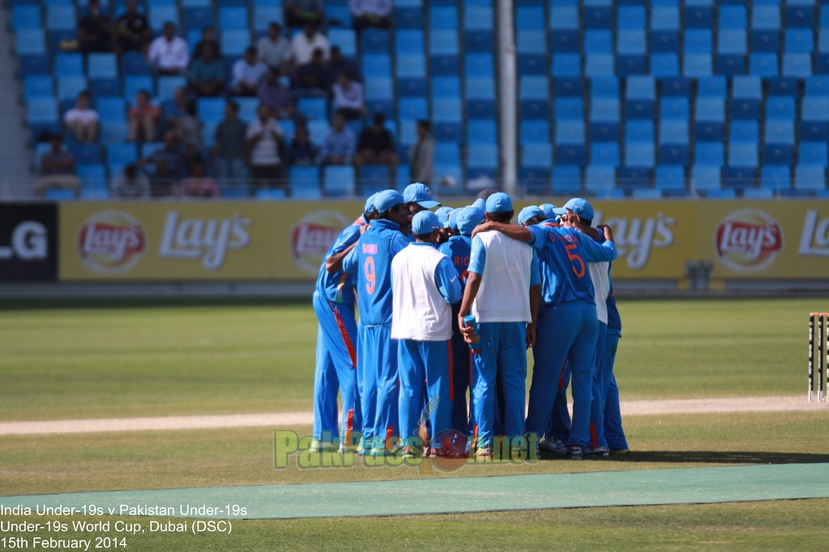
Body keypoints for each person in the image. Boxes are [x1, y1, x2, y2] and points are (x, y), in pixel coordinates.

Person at [472, 200, 618, 461]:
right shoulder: (575, 235)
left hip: (560, 311)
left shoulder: (545, 232)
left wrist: (492, 225)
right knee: (584, 381)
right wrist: (605, 233)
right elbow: (608, 253)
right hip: (588, 312)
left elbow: (525, 234)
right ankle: (579, 443)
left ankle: (531, 439)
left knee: (546, 379)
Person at [457, 193, 541, 461]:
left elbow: (474, 278)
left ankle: (484, 444)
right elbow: (535, 288)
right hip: (517, 318)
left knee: (484, 381)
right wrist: (533, 323)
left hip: (486, 319)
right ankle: (517, 442)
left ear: (487, 216)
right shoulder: (527, 246)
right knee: (515, 382)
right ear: (512, 213)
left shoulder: (482, 239)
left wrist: (463, 311)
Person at [341, 190, 411, 455]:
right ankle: (384, 440)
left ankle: (367, 439)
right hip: (388, 320)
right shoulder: (395, 239)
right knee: (389, 381)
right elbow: (416, 259)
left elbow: (348, 264)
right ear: (390, 213)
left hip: (366, 321)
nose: (407, 214)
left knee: (367, 383)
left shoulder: (366, 235)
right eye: (403, 209)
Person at [392, 211, 462, 457]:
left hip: (404, 329)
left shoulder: (398, 258)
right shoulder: (439, 259)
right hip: (433, 330)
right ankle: (439, 444)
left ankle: (409, 443)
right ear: (435, 232)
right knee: (439, 389)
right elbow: (454, 295)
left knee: (409, 388)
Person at [311, 200, 378, 452]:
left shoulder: (365, 230)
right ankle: (351, 436)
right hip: (334, 302)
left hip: (332, 300)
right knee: (354, 365)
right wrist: (359, 241)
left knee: (327, 370)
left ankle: (323, 437)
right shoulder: (357, 231)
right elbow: (331, 262)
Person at [438, 206, 483, 434]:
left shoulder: (445, 248)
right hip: (481, 319)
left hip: (453, 323)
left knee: (454, 382)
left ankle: (457, 430)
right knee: (480, 380)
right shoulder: (483, 244)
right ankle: (479, 430)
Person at [245, 104, 284, 195]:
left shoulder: (275, 123)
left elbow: (282, 141)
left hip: (273, 162)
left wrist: (274, 134)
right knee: (258, 188)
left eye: (266, 111)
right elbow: (248, 144)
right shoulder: (253, 125)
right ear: (258, 113)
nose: (264, 113)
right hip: (258, 162)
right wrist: (259, 134)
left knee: (274, 189)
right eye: (262, 111)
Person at [354, 113, 398, 188]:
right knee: (357, 158)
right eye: (376, 125)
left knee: (394, 158)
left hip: (381, 158)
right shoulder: (366, 133)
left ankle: (392, 186)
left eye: (379, 125)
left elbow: (392, 150)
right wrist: (365, 152)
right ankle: (358, 185)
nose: (377, 127)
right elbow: (358, 149)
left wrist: (386, 153)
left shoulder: (386, 134)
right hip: (368, 158)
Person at [213, 100, 248, 187]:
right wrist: (214, 156)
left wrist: (246, 157)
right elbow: (218, 142)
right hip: (223, 157)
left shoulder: (242, 125)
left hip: (238, 157)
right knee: (222, 183)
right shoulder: (221, 125)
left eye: (227, 108)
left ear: (234, 110)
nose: (225, 110)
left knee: (238, 182)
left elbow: (246, 143)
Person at [409, 120, 436, 186]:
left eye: (419, 127)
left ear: (425, 129)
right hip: (415, 171)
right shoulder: (417, 142)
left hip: (424, 177)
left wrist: (420, 179)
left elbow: (427, 161)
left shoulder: (429, 143)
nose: (417, 129)